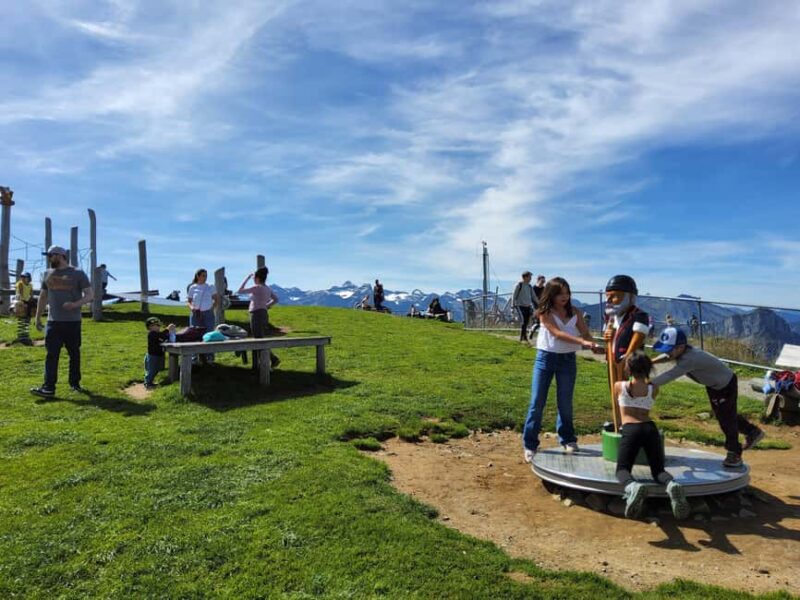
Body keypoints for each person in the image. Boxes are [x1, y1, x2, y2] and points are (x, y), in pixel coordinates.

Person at [651, 327, 765, 468]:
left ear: (680, 347)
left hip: (724, 385)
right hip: (715, 385)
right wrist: (652, 362)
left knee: (725, 419)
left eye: (668, 349)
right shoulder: (681, 352)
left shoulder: (689, 359)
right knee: (725, 414)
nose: (666, 353)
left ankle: (734, 453)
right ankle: (752, 431)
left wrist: (648, 383)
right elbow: (668, 357)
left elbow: (670, 375)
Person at [522, 277, 602, 461]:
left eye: (567, 293)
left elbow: (585, 332)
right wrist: (583, 343)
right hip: (546, 358)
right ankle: (530, 444)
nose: (564, 297)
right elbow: (557, 334)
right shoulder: (545, 312)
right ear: (551, 295)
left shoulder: (575, 312)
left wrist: (594, 344)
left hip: (567, 360)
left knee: (565, 402)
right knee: (537, 402)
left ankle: (567, 439)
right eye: (560, 293)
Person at [615, 352, 690, 520]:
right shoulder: (653, 389)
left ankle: (633, 487)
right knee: (658, 471)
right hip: (650, 428)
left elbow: (621, 393)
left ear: (629, 368)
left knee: (622, 470)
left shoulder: (619, 386)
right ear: (649, 369)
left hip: (630, 429)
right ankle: (672, 485)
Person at [30, 245, 93, 397]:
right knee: (51, 355)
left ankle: (75, 383)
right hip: (53, 322)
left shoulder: (78, 273)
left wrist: (75, 305)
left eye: (51, 255)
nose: (49, 258)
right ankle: (49, 387)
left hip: (72, 322)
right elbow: (43, 297)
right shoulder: (47, 273)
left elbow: (90, 295)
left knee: (74, 353)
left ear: (60, 255)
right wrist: (38, 317)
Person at [604, 275, 650, 429]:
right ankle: (618, 420)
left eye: (615, 296)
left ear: (630, 297)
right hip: (613, 360)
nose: (609, 300)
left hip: (632, 363)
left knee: (632, 392)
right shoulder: (611, 318)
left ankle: (632, 421)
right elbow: (609, 337)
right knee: (616, 391)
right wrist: (607, 336)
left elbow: (639, 336)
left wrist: (628, 356)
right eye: (608, 296)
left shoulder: (639, 315)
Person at [237, 267, 280, 371]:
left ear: (257, 278)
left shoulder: (257, 287)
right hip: (264, 313)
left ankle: (270, 361)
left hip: (255, 314)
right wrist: (266, 305)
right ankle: (264, 363)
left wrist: (247, 278)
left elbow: (240, 291)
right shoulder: (267, 288)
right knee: (260, 338)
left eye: (253, 278)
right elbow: (276, 299)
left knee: (258, 340)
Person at [144, 317, 175, 389]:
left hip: (158, 355)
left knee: (156, 370)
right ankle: (148, 383)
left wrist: (170, 333)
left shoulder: (157, 334)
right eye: (156, 325)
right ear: (150, 327)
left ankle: (150, 382)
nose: (158, 327)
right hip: (153, 356)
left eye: (159, 325)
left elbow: (163, 337)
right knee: (152, 370)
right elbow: (161, 336)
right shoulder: (152, 334)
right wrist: (167, 329)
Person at [512, 271, 536, 343]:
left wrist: (540, 303)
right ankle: (523, 337)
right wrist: (512, 306)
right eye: (529, 277)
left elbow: (534, 296)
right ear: (525, 277)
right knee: (523, 321)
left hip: (528, 306)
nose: (530, 278)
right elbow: (514, 296)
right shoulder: (519, 285)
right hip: (519, 306)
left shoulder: (529, 286)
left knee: (526, 322)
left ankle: (523, 337)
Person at [14, 272, 36, 345]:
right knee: (25, 309)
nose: (23, 278)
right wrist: (23, 302)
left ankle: (29, 317)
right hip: (20, 299)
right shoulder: (20, 283)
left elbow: (31, 294)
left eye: (25, 277)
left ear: (29, 278)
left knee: (33, 304)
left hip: (27, 299)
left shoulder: (30, 285)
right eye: (22, 277)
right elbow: (20, 293)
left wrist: (31, 299)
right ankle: (27, 317)